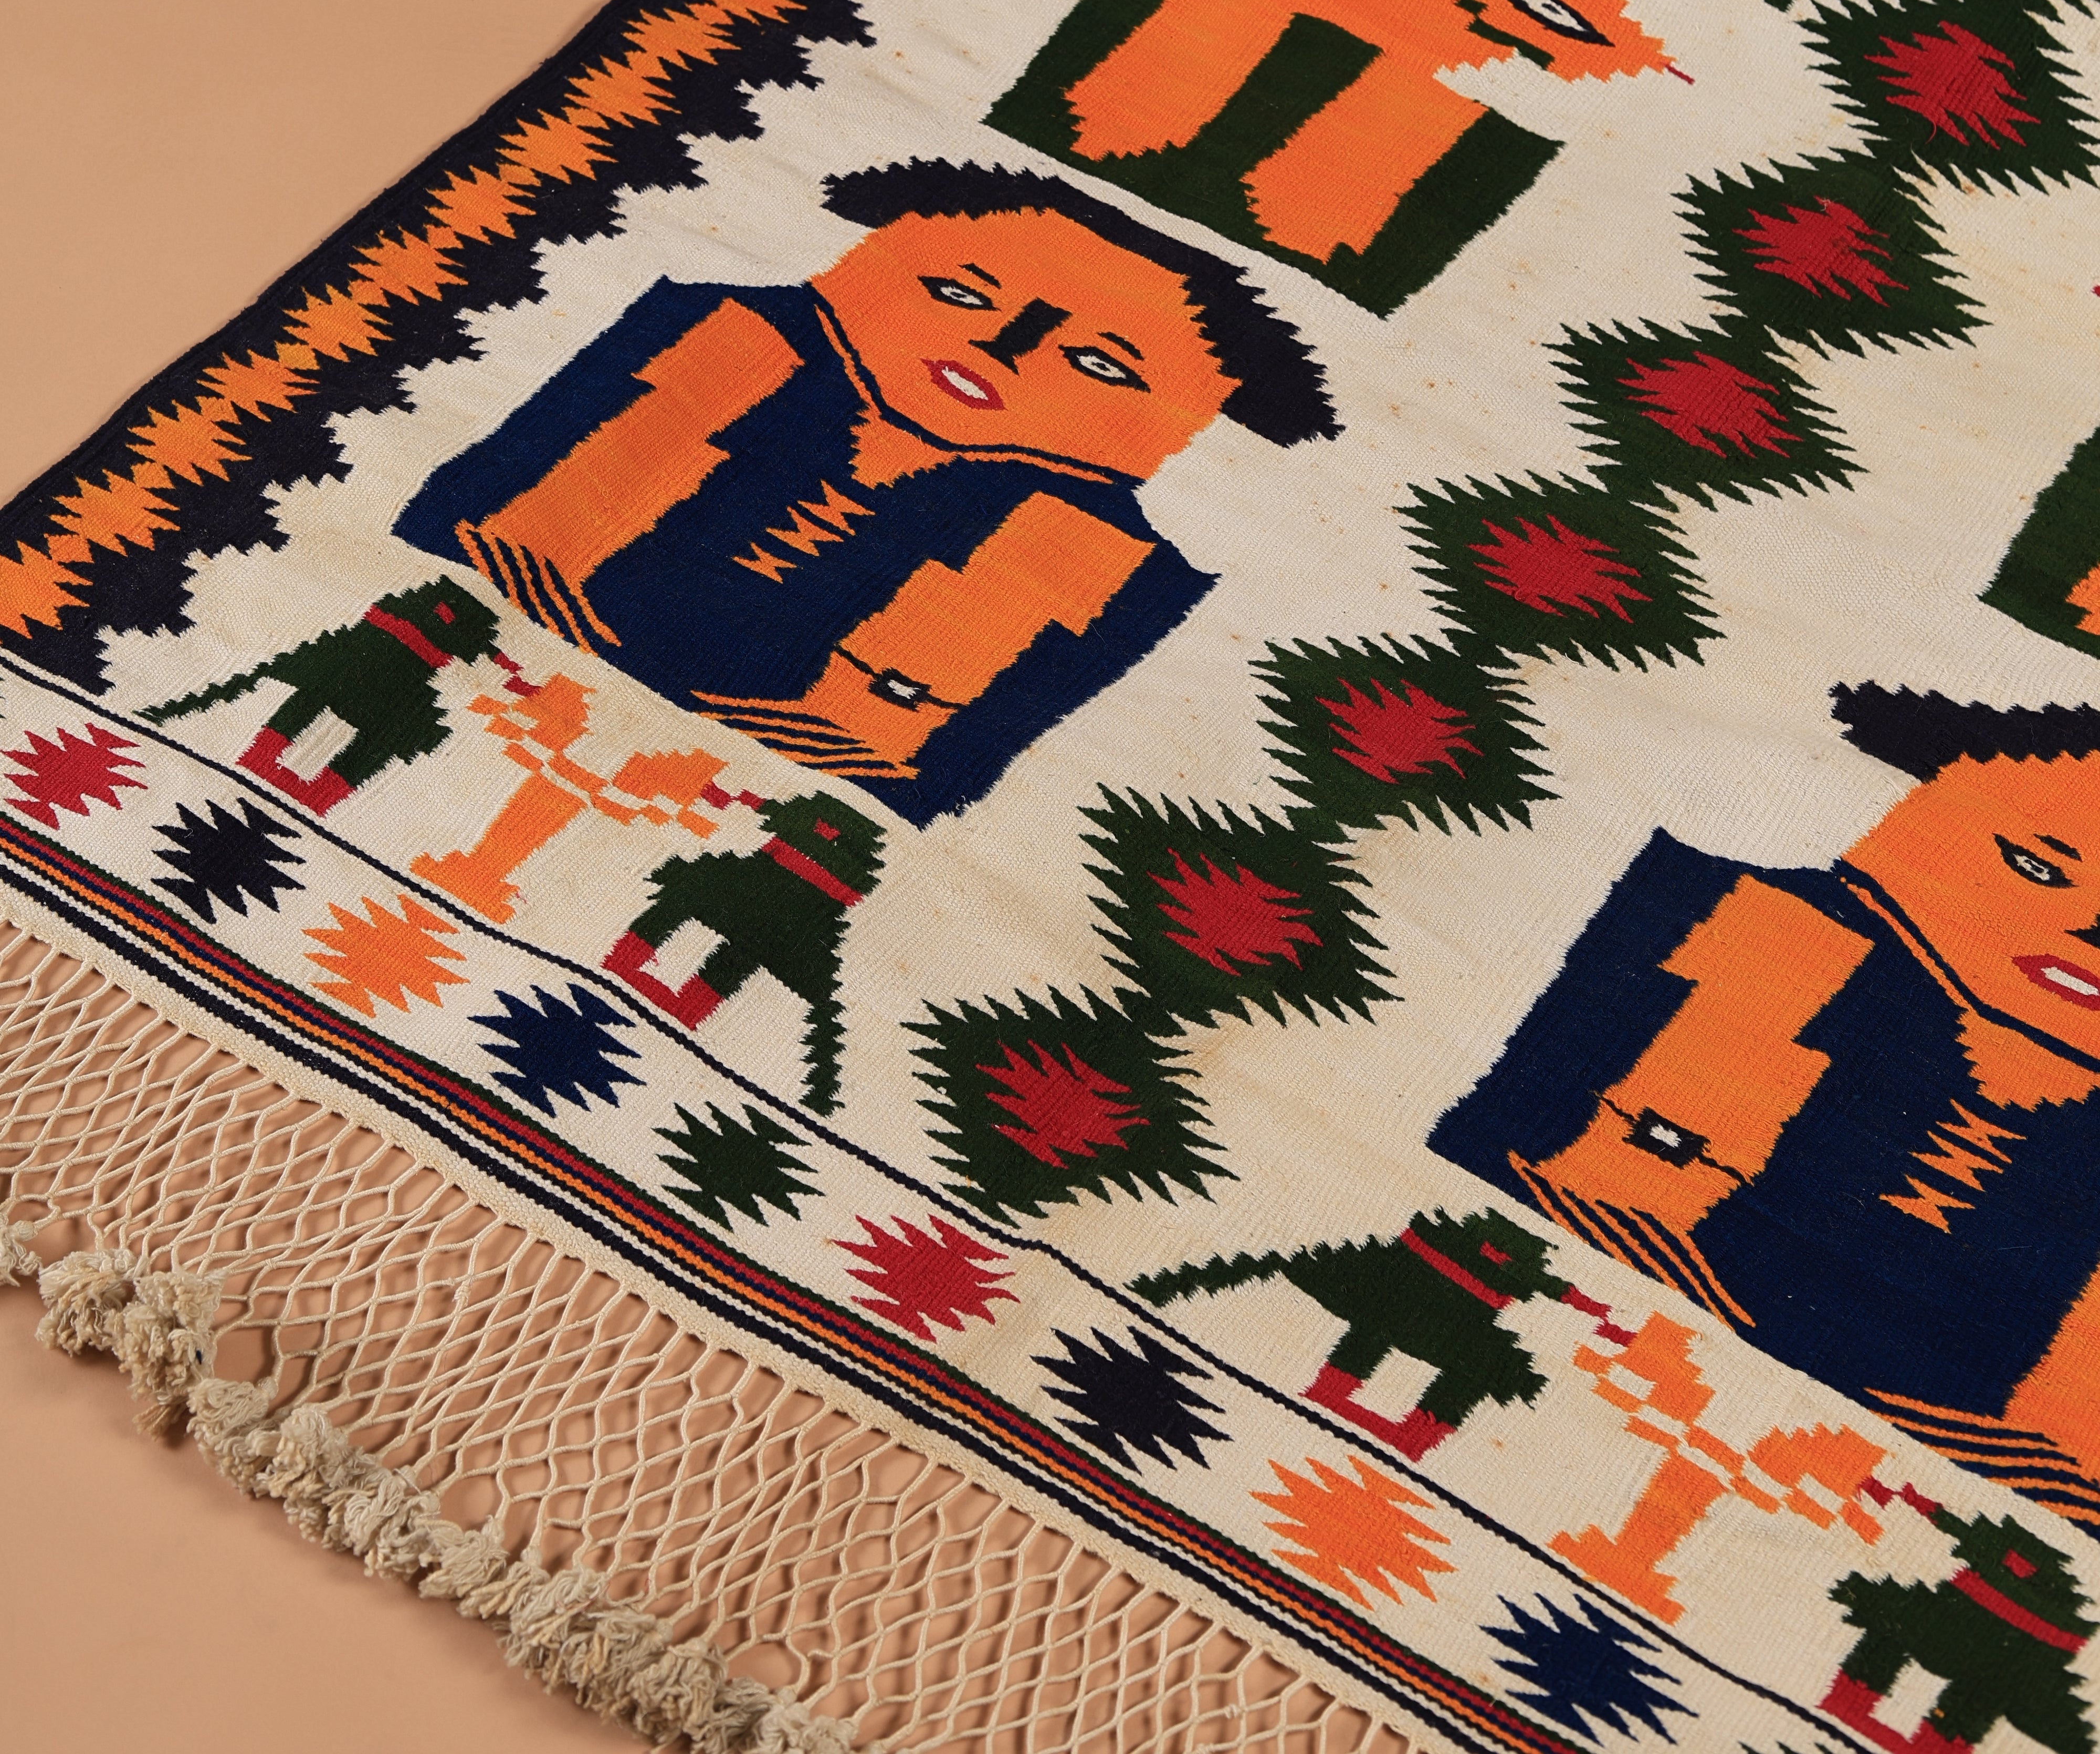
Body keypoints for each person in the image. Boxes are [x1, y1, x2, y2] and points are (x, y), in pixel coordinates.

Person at [393, 160, 1332, 824]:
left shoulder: (1101, 554)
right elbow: (475, 516)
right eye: (962, 295)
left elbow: (930, 769)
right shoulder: (715, 337)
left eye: (1099, 366)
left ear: (1185, 424)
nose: (1001, 350)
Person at [1433, 684, 2100, 1509]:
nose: (2088, 929)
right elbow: (1558, 1183)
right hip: (1562, 1339)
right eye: (2037, 868)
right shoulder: (1748, 928)